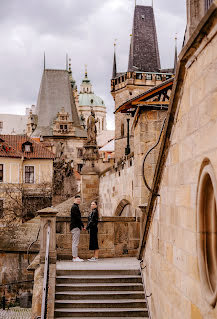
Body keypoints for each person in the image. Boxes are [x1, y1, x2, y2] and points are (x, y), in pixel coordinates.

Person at [70, 195, 84, 262]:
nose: (79, 200)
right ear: (74, 200)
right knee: (75, 242)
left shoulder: (75, 207)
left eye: (79, 199)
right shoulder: (75, 207)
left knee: (75, 242)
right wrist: (83, 225)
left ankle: (75, 256)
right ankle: (75, 257)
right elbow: (78, 218)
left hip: (75, 226)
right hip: (75, 227)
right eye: (77, 199)